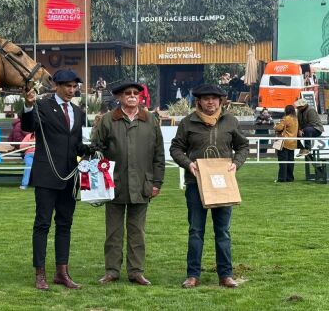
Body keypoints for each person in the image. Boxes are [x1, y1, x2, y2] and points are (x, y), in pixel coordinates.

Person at [169, 84, 249, 289]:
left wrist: (235, 164)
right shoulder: (188, 122)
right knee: (196, 230)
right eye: (206, 98)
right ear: (199, 101)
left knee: (223, 231)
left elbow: (242, 146)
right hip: (196, 185)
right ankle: (193, 275)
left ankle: (226, 275)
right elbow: (176, 148)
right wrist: (189, 164)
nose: (210, 102)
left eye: (214, 98)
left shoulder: (230, 121)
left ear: (221, 100)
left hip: (223, 185)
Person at [20, 68, 93, 291]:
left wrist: (92, 149)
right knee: (42, 224)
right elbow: (27, 126)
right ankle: (40, 273)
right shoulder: (42, 106)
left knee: (65, 224)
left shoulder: (78, 112)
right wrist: (29, 105)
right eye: (67, 86)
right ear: (57, 87)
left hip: (70, 176)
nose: (71, 91)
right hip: (46, 175)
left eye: (74, 87)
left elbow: (76, 144)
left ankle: (62, 272)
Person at [90, 81, 165, 287]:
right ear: (119, 97)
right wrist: (98, 180)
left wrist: (156, 182)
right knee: (113, 231)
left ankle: (136, 272)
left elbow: (159, 155)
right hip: (113, 184)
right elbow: (96, 149)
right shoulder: (107, 120)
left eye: (135, 93)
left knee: (137, 231)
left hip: (142, 185)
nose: (132, 96)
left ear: (140, 97)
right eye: (127, 93)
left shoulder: (151, 120)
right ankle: (112, 271)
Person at [274, 105, 298, 183]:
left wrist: (276, 126)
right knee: (290, 161)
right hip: (293, 142)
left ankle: (282, 178)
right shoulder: (295, 119)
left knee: (283, 161)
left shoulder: (286, 118)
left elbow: (279, 128)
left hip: (284, 142)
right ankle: (290, 178)